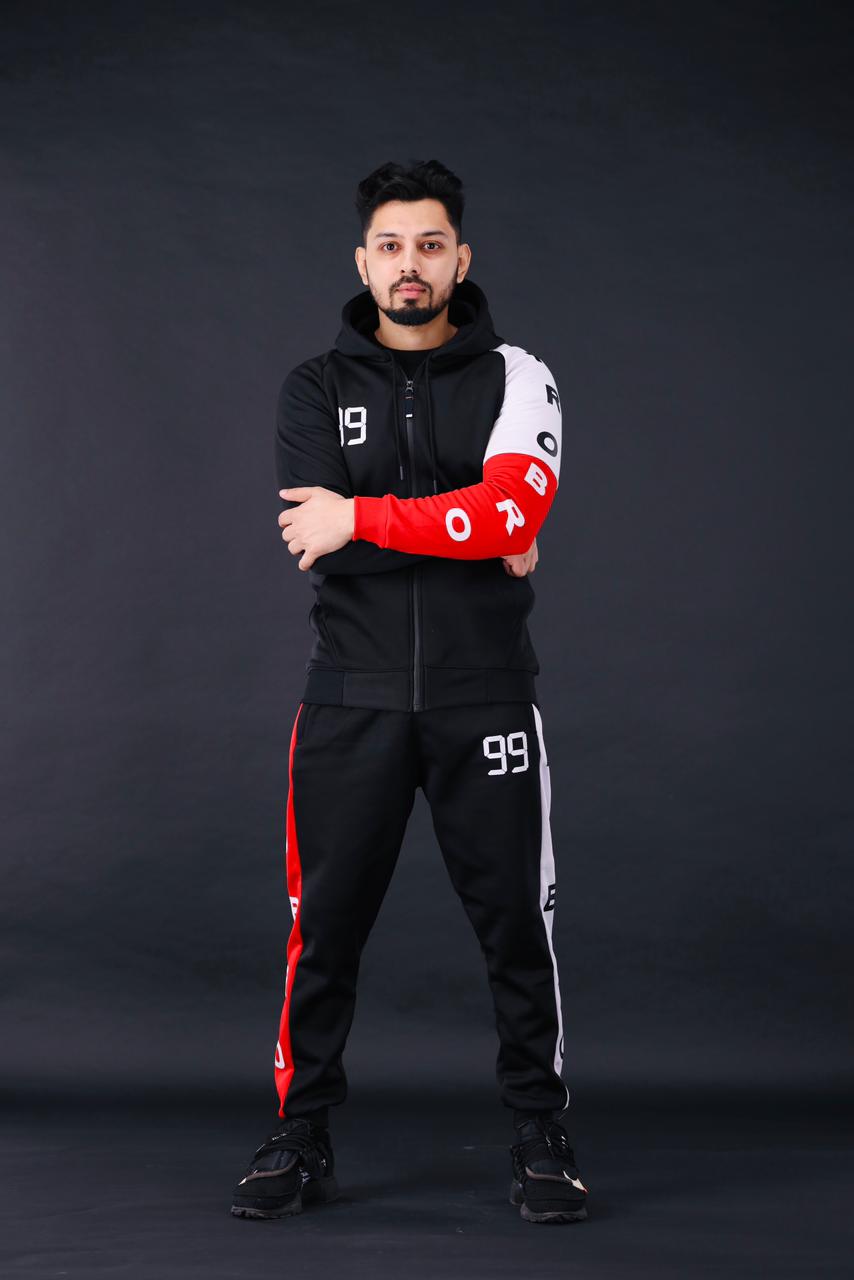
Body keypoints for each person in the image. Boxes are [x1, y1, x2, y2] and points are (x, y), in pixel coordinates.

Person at [230, 159, 588, 1226]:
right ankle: (300, 1133)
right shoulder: (313, 387)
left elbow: (511, 512)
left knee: (517, 930)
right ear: (363, 262)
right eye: (390, 246)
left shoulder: (519, 376)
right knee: (323, 931)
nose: (409, 265)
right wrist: (467, 526)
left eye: (430, 244)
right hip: (350, 697)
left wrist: (365, 516)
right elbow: (320, 538)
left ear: (460, 258)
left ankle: (541, 1134)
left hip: (486, 696)